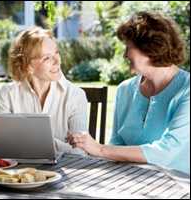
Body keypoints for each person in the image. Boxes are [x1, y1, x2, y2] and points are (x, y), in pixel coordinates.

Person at [68, 11, 190, 175]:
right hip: (129, 181)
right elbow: (116, 144)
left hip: (177, 186)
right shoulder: (124, 89)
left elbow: (167, 152)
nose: (125, 54)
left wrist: (100, 149)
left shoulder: (186, 89)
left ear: (151, 49)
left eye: (129, 47)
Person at [0, 26, 88, 154]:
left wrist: (42, 143)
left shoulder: (75, 95)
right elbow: (3, 147)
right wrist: (60, 146)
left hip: (66, 171)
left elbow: (80, 151)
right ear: (28, 66)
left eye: (56, 52)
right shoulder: (8, 94)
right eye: (47, 58)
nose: (57, 61)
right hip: (21, 172)